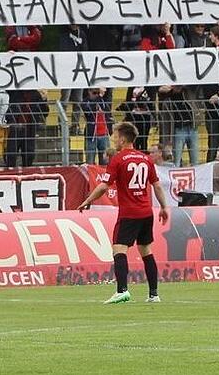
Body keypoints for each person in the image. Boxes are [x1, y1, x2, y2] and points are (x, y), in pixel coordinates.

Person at [77, 122, 169, 304]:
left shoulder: (118, 159)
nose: (114, 140)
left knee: (119, 249)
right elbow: (156, 185)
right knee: (146, 251)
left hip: (129, 214)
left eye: (115, 137)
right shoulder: (145, 159)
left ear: (123, 138)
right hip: (146, 212)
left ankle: (122, 290)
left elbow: (103, 186)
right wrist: (165, 207)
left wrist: (87, 200)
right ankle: (154, 294)